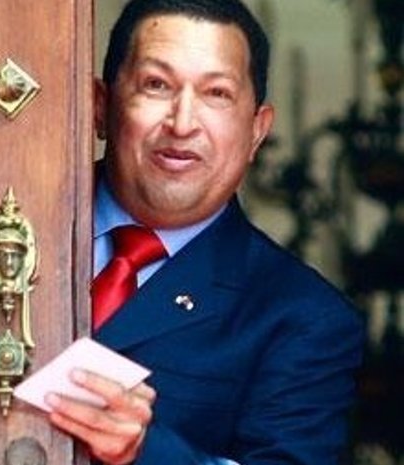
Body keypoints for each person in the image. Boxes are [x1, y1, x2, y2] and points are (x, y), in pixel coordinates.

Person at [43, 0, 365, 464]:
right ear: (100, 106)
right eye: (156, 85)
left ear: (257, 131)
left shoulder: (303, 317)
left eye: (217, 93)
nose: (182, 123)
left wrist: (146, 451)